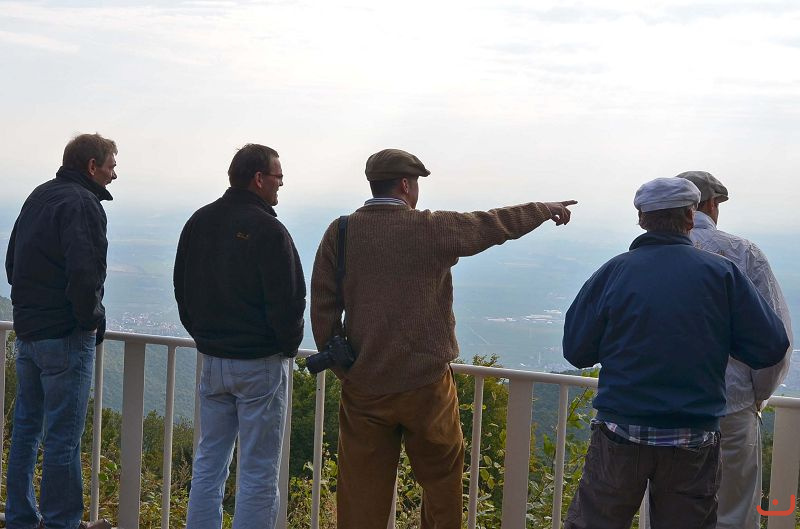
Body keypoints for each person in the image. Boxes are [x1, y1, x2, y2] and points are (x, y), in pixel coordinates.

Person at [310, 148, 577, 528]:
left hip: (365, 389)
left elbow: (323, 307)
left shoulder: (340, 232)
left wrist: (344, 368)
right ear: (406, 185)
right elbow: (491, 224)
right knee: (441, 487)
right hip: (427, 388)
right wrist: (542, 209)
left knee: (361, 494)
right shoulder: (430, 227)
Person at [561, 177, 789, 529]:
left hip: (621, 431)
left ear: (641, 219)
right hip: (693, 437)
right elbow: (770, 346)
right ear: (689, 216)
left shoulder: (614, 272)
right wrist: (720, 340)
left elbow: (577, 351)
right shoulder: (722, 273)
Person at [174, 143, 305, 529]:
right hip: (260, 364)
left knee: (209, 463)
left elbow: (182, 288)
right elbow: (288, 301)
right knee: (259, 472)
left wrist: (205, 337)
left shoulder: (199, 221)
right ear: (259, 178)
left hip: (213, 361)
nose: (281, 184)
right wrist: (286, 347)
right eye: (278, 177)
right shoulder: (270, 230)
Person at [5, 133, 118, 529]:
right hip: (65, 336)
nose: (114, 174)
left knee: (26, 431)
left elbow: (12, 263)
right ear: (92, 166)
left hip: (28, 333)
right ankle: (62, 523)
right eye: (111, 165)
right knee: (63, 437)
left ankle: (20, 518)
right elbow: (85, 273)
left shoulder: (38, 196)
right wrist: (90, 320)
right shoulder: (83, 204)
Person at [675, 170, 793, 529]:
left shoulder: (651, 257)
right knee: (734, 513)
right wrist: (756, 394)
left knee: (669, 512)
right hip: (731, 404)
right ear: (712, 204)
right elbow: (776, 339)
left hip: (664, 410)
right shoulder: (744, 253)